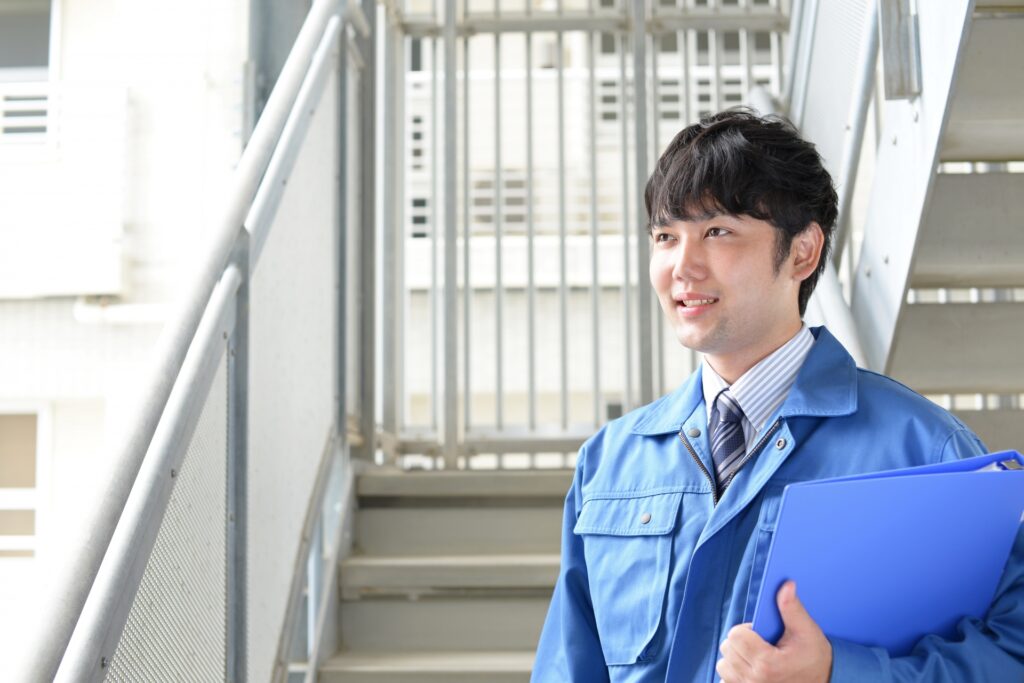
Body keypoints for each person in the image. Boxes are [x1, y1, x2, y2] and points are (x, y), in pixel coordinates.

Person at [530, 108, 1024, 682]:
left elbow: (1012, 655)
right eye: (665, 237)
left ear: (802, 252)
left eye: (717, 232)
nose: (682, 266)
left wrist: (838, 673)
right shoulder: (611, 461)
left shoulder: (925, 451)